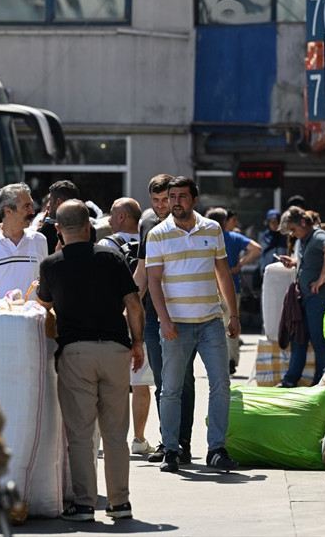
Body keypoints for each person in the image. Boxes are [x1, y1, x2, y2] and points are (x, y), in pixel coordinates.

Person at [36, 199, 144, 522]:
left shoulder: (51, 265)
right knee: (115, 433)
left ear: (58, 229)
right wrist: (137, 343)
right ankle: (120, 503)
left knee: (80, 434)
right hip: (115, 350)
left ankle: (84, 504)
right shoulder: (112, 257)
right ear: (90, 227)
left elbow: (42, 305)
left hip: (75, 354)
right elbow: (134, 305)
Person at [146, 176, 240, 473]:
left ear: (194, 199)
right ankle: (171, 449)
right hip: (177, 324)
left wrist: (233, 315)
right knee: (171, 389)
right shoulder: (158, 234)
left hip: (211, 320)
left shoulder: (212, 229)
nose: (175, 201)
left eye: (182, 196)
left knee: (221, 384)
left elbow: (223, 274)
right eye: (172, 196)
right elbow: (153, 281)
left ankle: (216, 448)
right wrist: (164, 319)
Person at [133, 174, 196, 465]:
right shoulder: (148, 226)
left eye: (165, 200)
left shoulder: (190, 227)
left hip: (186, 314)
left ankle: (183, 441)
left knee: (184, 380)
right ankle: (168, 441)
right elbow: (143, 274)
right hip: (152, 317)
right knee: (162, 382)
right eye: (156, 201)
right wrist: (129, 306)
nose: (162, 207)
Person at [97, 197, 155, 455]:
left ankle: (108, 437)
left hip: (112, 320)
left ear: (121, 217)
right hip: (142, 318)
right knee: (141, 382)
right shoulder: (149, 243)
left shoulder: (106, 245)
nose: (109, 218)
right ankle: (139, 439)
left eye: (112, 213)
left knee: (109, 383)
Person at [276, 206, 325, 387]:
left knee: (318, 341)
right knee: (300, 339)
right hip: (306, 298)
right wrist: (294, 262)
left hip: (319, 298)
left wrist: (321, 279)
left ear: (303, 222)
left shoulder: (318, 235)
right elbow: (311, 260)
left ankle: (321, 382)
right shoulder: (305, 239)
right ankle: (291, 379)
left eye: (294, 230)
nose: (293, 234)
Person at [205, 207, 262, 374]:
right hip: (231, 286)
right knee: (231, 323)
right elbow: (256, 248)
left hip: (209, 287)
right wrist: (239, 265)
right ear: (225, 222)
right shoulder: (234, 237)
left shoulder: (204, 237)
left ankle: (217, 360)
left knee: (212, 326)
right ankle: (231, 359)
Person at [36, 180, 95, 253]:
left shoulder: (46, 230)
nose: (48, 205)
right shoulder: (89, 229)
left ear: (58, 202)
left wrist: (38, 235)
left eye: (50, 200)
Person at [257, 209, 287, 274]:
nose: (273, 224)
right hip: (266, 272)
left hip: (282, 272)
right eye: (271, 222)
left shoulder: (285, 237)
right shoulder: (263, 237)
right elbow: (261, 255)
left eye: (275, 221)